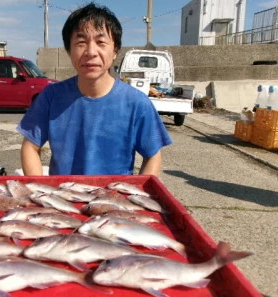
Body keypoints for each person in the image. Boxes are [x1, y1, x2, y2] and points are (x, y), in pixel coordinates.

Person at [17, 2, 172, 176]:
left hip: (115, 199)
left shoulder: (137, 103)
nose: (91, 52)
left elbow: (152, 156)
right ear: (69, 51)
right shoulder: (51, 96)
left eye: (101, 42)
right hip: (62, 197)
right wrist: (41, 192)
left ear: (115, 51)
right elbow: (30, 146)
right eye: (81, 42)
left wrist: (138, 196)